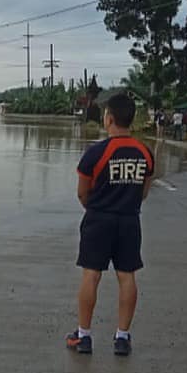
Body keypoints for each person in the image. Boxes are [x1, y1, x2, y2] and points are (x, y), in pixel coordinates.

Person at [67, 93, 154, 357]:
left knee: (91, 275)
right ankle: (122, 337)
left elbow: (82, 193)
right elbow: (144, 191)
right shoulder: (144, 153)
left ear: (109, 119)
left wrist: (97, 209)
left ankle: (83, 336)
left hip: (98, 220)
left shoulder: (96, 153)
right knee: (126, 276)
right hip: (129, 220)